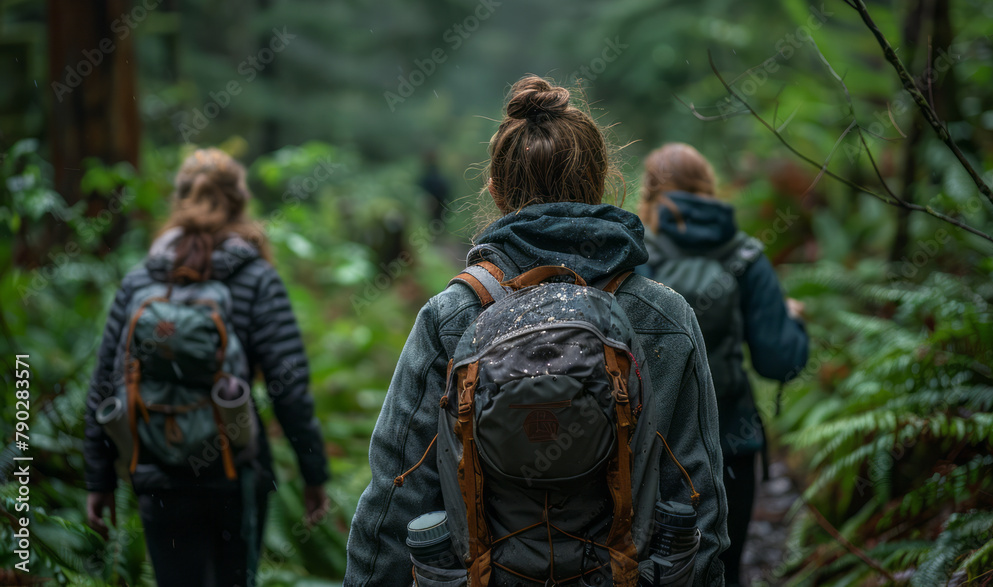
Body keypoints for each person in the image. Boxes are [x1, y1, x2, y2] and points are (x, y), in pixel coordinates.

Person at [345, 77, 729, 586]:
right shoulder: (664, 316)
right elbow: (697, 497)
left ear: (498, 191)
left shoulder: (454, 315)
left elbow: (397, 492)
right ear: (599, 182)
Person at [84, 148, 330, 587]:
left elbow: (104, 381)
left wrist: (98, 480)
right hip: (234, 470)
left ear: (178, 201)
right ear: (239, 202)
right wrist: (314, 475)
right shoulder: (256, 278)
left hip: (157, 471)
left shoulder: (142, 279)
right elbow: (287, 386)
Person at [637, 143, 808, 587]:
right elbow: (780, 361)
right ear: (710, 188)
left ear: (649, 192)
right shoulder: (744, 256)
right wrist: (792, 322)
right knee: (723, 569)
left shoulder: (633, 258)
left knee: (644, 569)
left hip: (645, 449)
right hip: (729, 445)